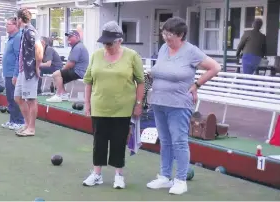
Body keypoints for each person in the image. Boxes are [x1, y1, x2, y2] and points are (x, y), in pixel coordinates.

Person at [146, 17, 221, 195]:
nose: (166, 38)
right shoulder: (164, 48)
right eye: (164, 34)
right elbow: (159, 71)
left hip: (179, 104)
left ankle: (180, 180)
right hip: (158, 101)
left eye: (170, 35)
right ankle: (165, 177)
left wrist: (196, 85)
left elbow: (215, 67)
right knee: (164, 141)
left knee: (179, 141)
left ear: (181, 35)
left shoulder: (191, 51)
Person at [81, 21, 145, 189]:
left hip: (123, 108)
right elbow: (88, 81)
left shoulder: (132, 56)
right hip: (99, 106)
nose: (106, 46)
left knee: (118, 142)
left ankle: (119, 175)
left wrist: (139, 104)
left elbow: (140, 82)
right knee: (99, 142)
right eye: (104, 43)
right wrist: (87, 104)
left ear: (119, 41)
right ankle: (97, 174)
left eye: (110, 43)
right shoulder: (96, 55)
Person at [13, 8, 43, 136]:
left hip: (29, 71)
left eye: (16, 19)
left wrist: (37, 66)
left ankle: (31, 128)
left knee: (31, 99)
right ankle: (27, 124)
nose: (16, 22)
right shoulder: (24, 31)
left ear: (20, 19)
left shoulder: (30, 31)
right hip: (22, 70)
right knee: (18, 97)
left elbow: (39, 49)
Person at [46, 30, 89, 102]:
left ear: (77, 37)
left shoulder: (77, 47)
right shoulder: (78, 46)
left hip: (78, 72)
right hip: (79, 71)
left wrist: (61, 70)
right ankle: (63, 94)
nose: (68, 38)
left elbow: (71, 64)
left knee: (56, 74)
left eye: (70, 36)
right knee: (58, 75)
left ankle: (59, 95)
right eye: (67, 37)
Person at [1, 17, 25, 130]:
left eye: (8, 24)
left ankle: (20, 121)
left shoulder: (18, 37)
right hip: (7, 73)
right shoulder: (10, 38)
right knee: (10, 98)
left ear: (15, 25)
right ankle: (12, 120)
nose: (6, 26)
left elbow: (19, 58)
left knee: (15, 98)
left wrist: (16, 75)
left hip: (13, 73)